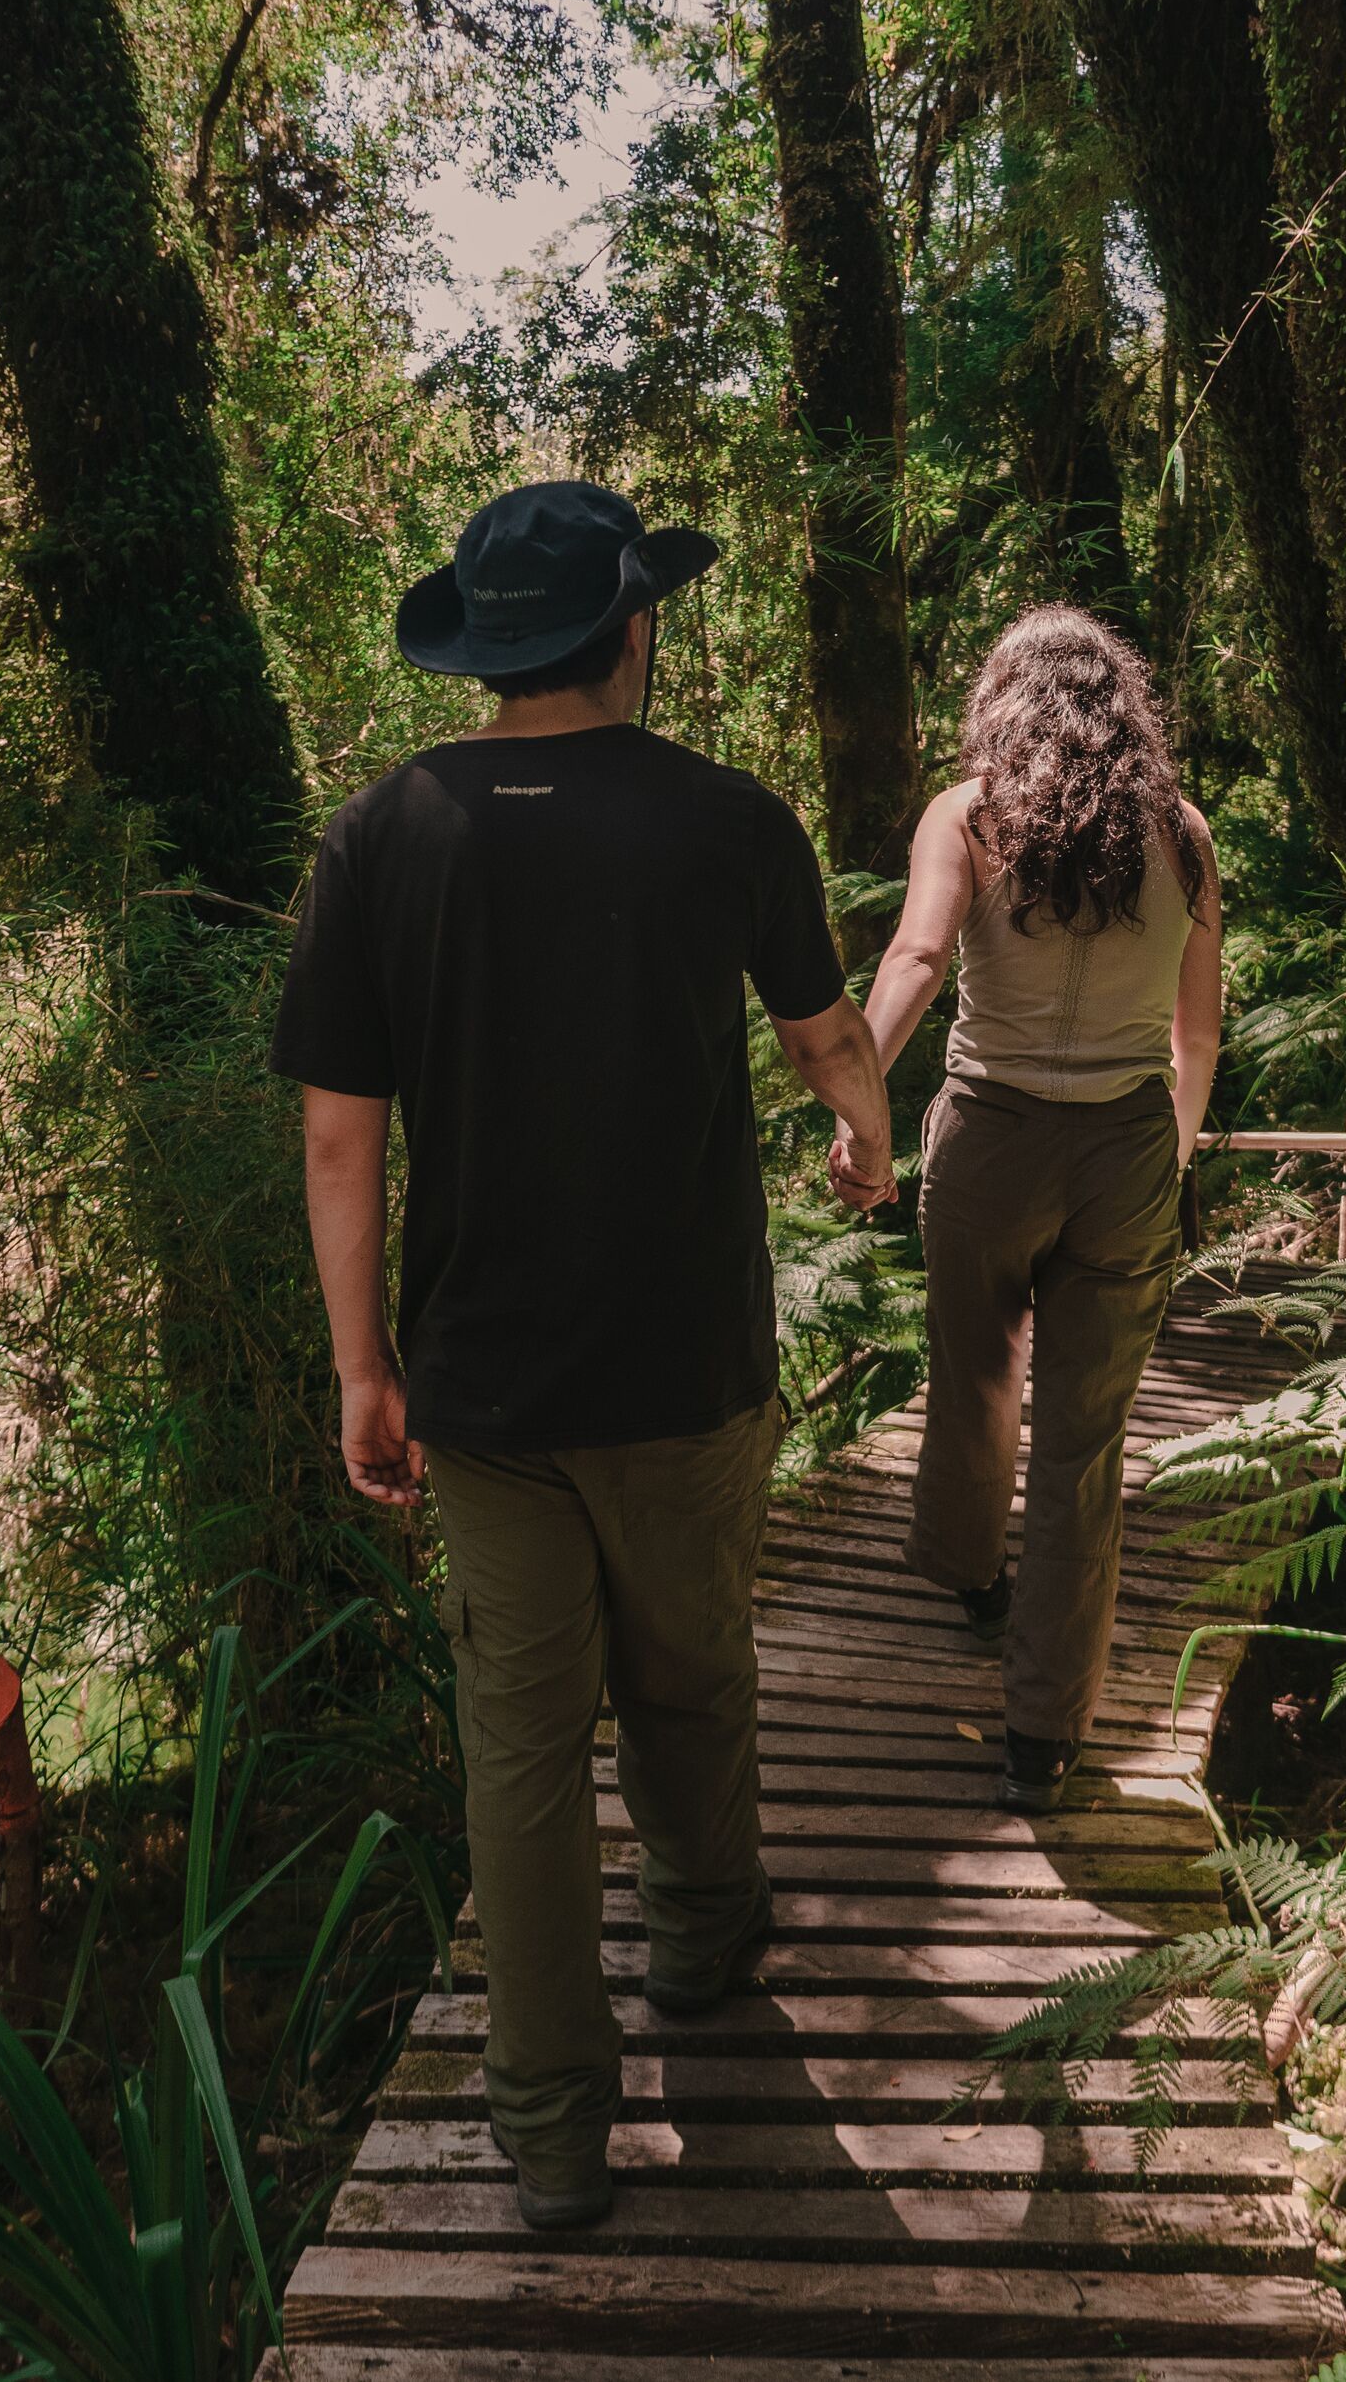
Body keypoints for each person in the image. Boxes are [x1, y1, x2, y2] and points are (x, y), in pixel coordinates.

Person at [271, 480, 896, 2235]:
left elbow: (340, 1139)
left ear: (487, 653)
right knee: (694, 1669)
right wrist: (868, 1130)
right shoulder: (729, 821)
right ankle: (702, 1942)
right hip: (689, 1360)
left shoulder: (379, 835)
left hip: (482, 1389)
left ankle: (552, 2133)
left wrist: (361, 1369)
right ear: (630, 630)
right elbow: (826, 1029)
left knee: (523, 1753)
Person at [860, 606, 1222, 1814]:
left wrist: (858, 1108)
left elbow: (915, 960)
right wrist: (1164, 1162)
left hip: (990, 1138)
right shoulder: (1184, 835)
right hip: (1122, 1148)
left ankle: (970, 1575)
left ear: (1006, 703)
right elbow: (1198, 1032)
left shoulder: (969, 815)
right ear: (1124, 708)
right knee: (1083, 1445)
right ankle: (1042, 1734)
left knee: (971, 1372)